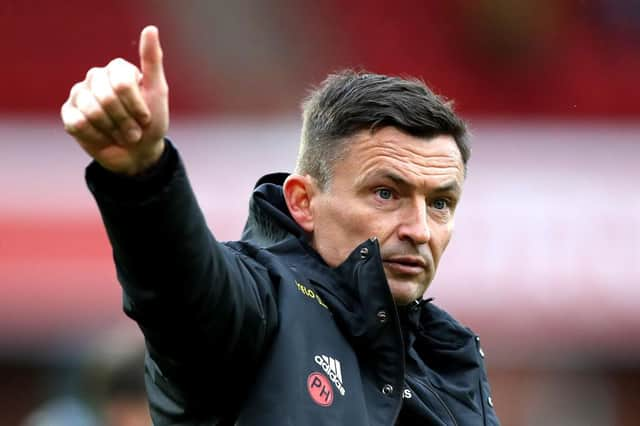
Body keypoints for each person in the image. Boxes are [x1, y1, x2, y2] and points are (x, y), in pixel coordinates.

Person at [61, 25, 500, 425]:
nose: (420, 229)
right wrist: (143, 176)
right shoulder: (258, 305)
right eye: (386, 193)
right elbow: (181, 288)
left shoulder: (450, 359)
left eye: (440, 202)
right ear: (303, 202)